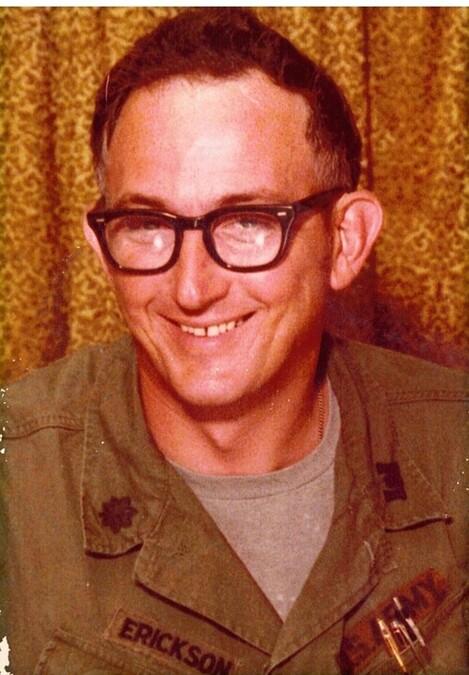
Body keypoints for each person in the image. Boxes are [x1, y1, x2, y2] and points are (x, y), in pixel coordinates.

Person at [1, 8, 466, 674]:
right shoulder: (16, 483)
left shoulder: (454, 449)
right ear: (101, 250)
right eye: (147, 225)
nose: (192, 288)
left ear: (345, 241)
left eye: (248, 222)